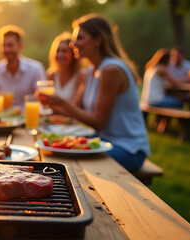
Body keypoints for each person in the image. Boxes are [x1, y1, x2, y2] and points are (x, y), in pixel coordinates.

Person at [39, 14, 150, 172]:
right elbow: (72, 110)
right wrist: (51, 103)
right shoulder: (91, 70)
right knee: (51, 151)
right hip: (103, 142)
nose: (73, 43)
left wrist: (60, 102)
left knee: (67, 163)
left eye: (80, 38)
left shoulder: (111, 70)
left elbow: (98, 122)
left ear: (98, 40)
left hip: (128, 149)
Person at [0, 25, 46, 107]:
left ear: (20, 46)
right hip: (2, 118)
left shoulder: (35, 69)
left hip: (28, 117)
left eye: (10, 45)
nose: (6, 50)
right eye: (3, 46)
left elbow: (42, 98)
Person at [47, 31, 87, 103]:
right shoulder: (52, 75)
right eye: (57, 51)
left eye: (64, 51)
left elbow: (74, 105)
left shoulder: (81, 75)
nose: (60, 55)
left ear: (73, 54)